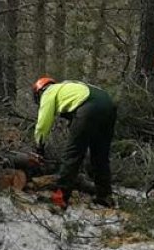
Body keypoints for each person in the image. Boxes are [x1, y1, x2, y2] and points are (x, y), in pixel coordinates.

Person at [32, 76, 118, 207]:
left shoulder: (49, 92)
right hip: (108, 105)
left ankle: (60, 197)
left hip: (88, 108)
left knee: (72, 155)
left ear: (39, 92)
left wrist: (39, 146)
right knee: (100, 155)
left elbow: (43, 124)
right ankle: (105, 196)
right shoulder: (68, 86)